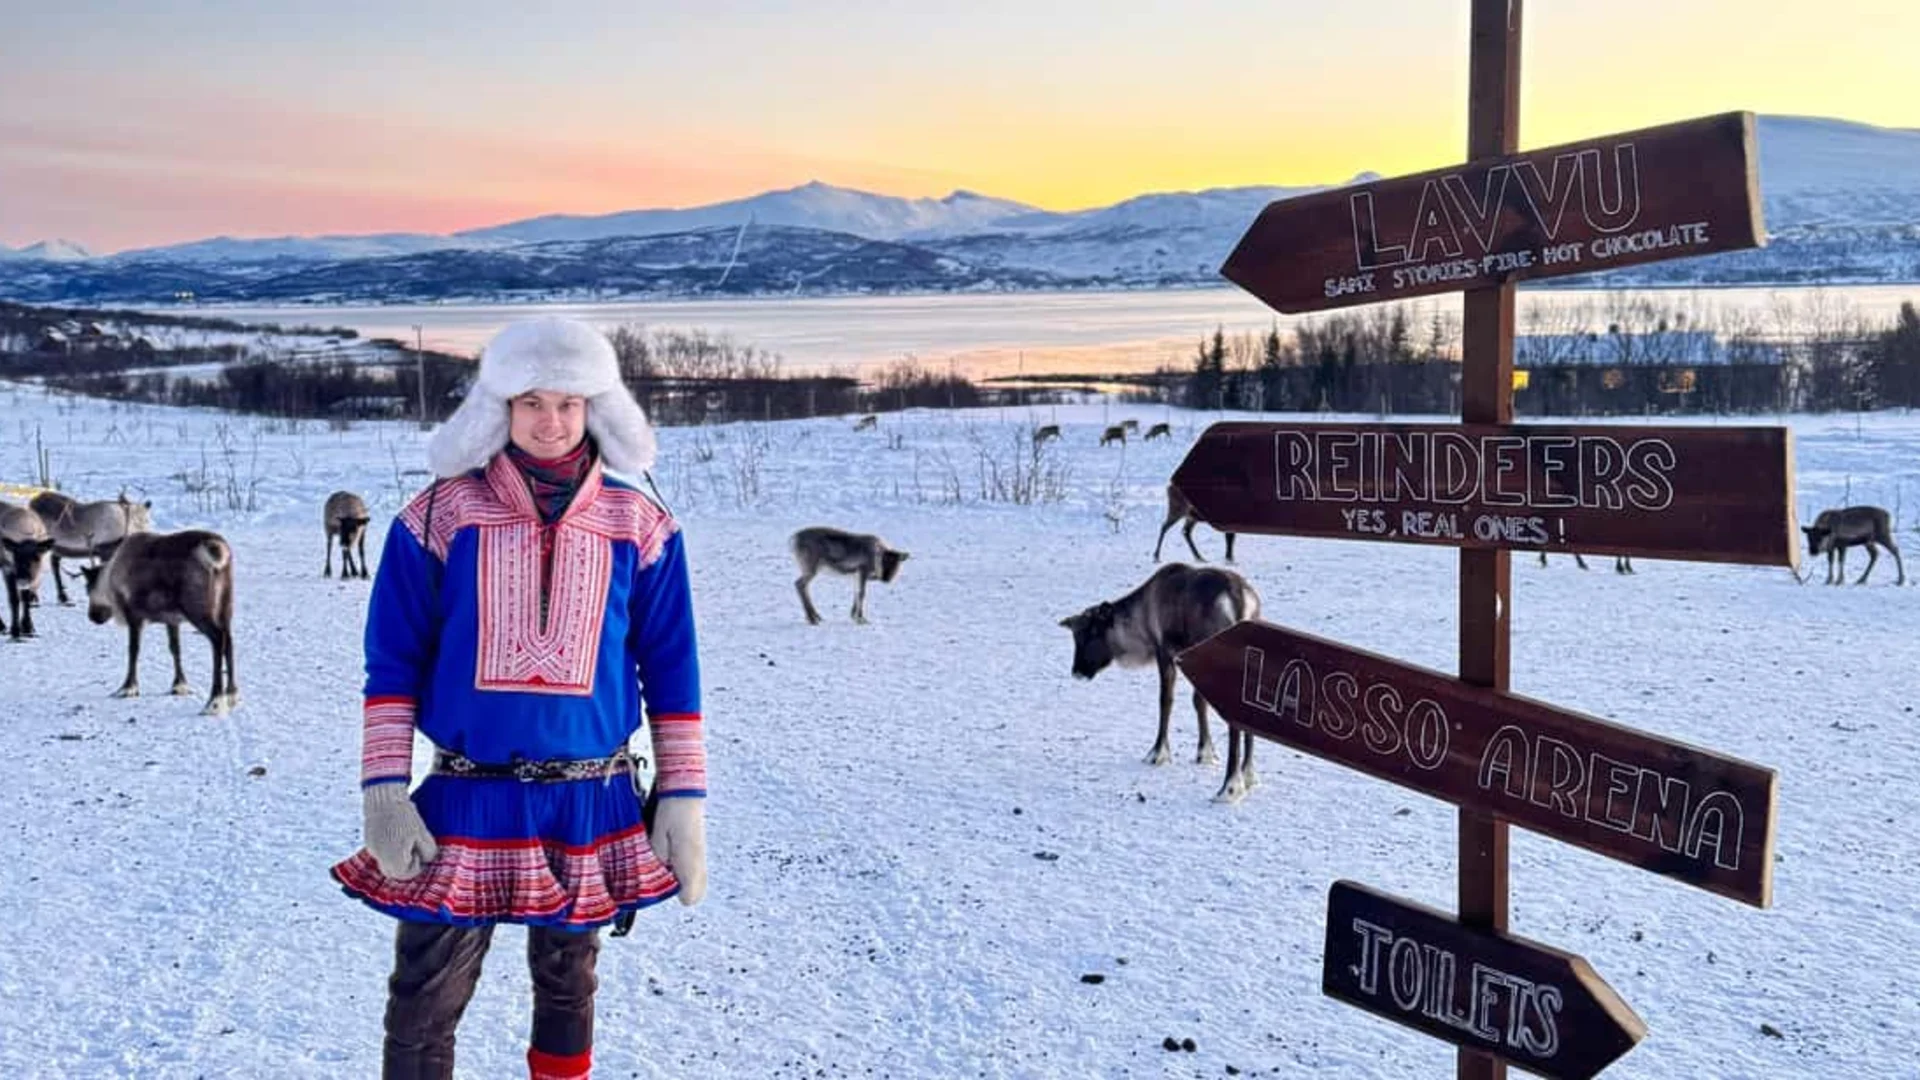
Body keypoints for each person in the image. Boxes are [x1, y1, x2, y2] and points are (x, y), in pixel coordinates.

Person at [331, 316, 707, 1080]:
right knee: (424, 995)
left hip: (591, 795)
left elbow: (673, 668)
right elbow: (393, 663)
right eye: (531, 401)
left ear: (595, 409)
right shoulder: (438, 515)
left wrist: (683, 800)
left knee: (570, 987)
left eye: (568, 403)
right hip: (468, 793)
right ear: (497, 407)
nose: (550, 421)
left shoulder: (641, 523)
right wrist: (383, 791)